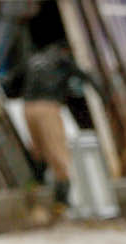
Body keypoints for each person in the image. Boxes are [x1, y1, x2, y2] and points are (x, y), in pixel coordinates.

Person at [20, 40, 97, 209]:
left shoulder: (34, 60)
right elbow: (85, 76)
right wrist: (101, 92)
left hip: (27, 108)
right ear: (66, 49)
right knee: (58, 153)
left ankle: (36, 190)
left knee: (38, 150)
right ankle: (62, 202)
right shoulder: (62, 59)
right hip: (48, 107)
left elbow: (13, 81)